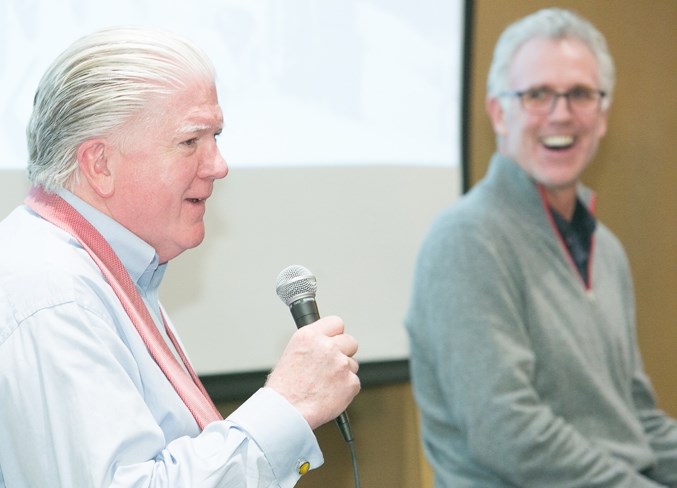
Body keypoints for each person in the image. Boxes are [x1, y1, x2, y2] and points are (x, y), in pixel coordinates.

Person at [0, 27, 360, 487]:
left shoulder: (111, 269)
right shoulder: (53, 292)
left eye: (216, 136)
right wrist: (289, 404)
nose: (218, 165)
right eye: (191, 142)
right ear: (99, 164)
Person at [406, 8, 677, 488]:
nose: (561, 114)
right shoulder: (466, 240)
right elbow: (509, 431)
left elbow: (636, 420)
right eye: (537, 95)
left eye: (580, 94)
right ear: (498, 112)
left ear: (603, 114)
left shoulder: (606, 249)